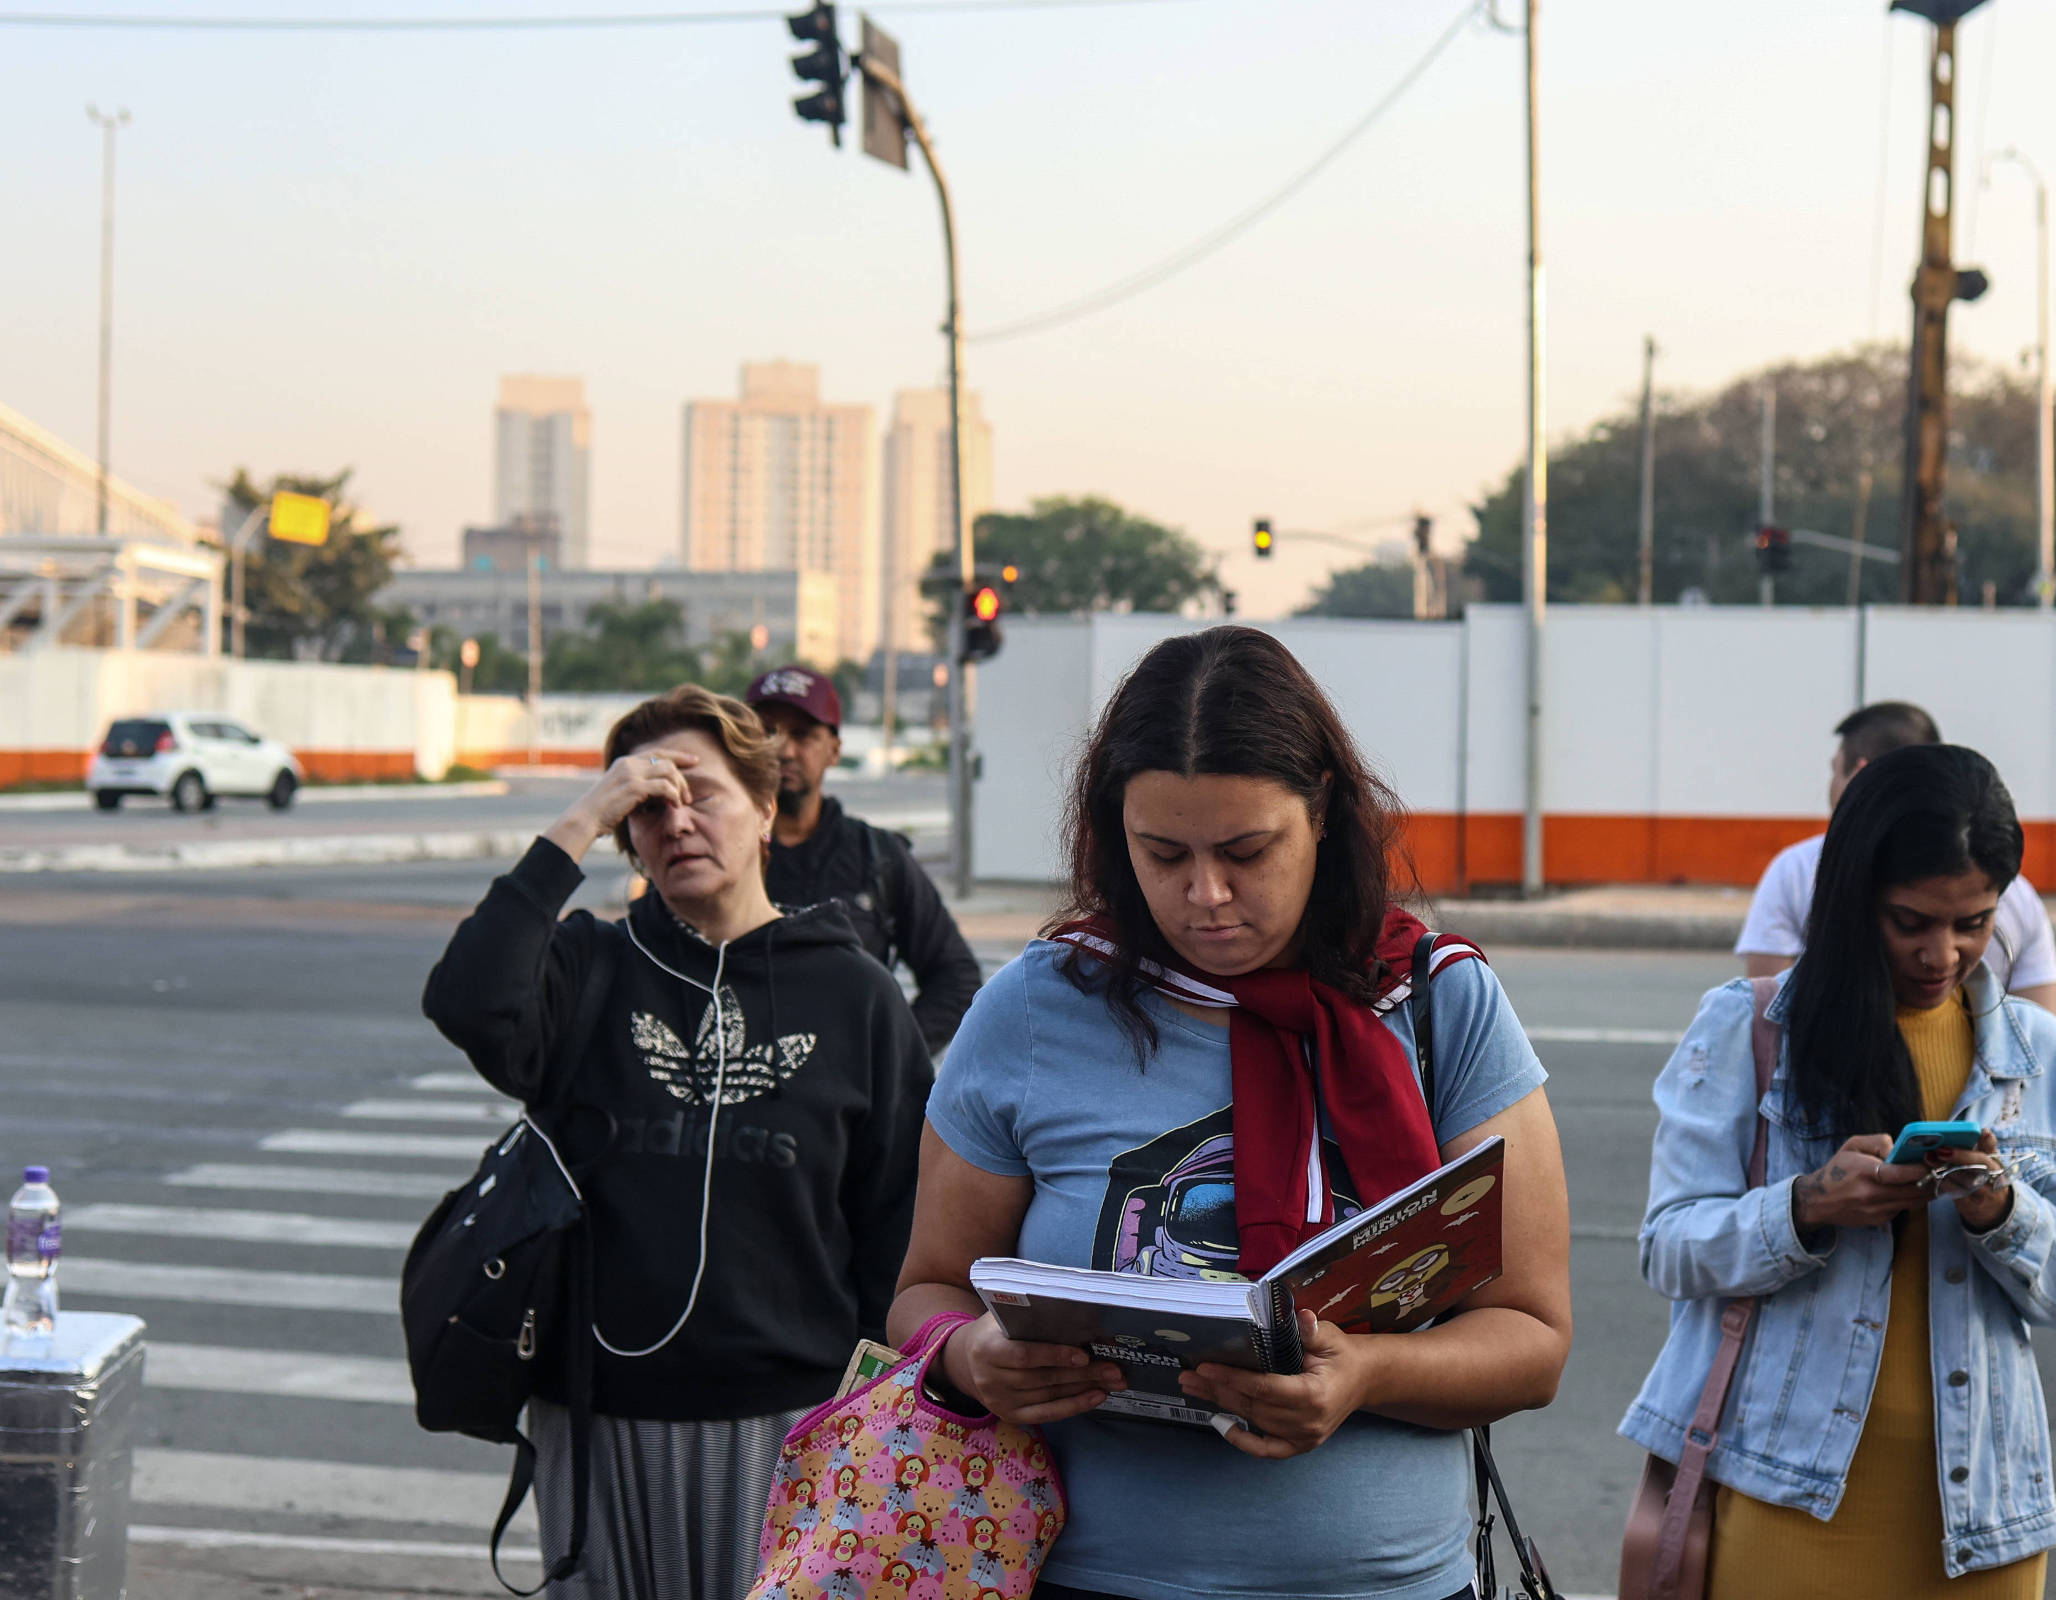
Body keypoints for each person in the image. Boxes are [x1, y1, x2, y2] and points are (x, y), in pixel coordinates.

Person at [887, 625, 1573, 1600]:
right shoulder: (1038, 1004)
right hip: (1091, 1577)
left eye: (1248, 851)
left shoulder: (1437, 1002)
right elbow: (926, 1290)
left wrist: (1365, 1376)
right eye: (1162, 853)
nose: (1205, 895)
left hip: (1387, 1586)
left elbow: (1533, 1339)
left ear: (1324, 811)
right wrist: (970, 1356)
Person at [422, 684, 934, 1600]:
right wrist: (581, 818)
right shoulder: (590, 965)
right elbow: (467, 999)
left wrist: (870, 1421)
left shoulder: (855, 994)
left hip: (788, 1422)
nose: (677, 823)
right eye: (648, 807)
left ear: (768, 807)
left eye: (702, 793)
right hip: (600, 1414)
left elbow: (897, 1222)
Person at [1622, 743, 2056, 1598]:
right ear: (1854, 900)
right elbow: (1667, 1246)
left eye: (1974, 922)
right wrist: (1806, 1207)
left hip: (1983, 1525)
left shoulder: (2046, 1059)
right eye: (1912, 921)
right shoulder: (1750, 1031)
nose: (1945, 952)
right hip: (1787, 1503)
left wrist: (2002, 1211)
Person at [1738, 702, 2056, 1012]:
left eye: (1973, 924)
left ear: (1859, 774)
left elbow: (1768, 1011)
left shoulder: (1796, 870)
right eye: (1909, 923)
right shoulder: (2022, 896)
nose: (1941, 959)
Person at [746, 664, 983, 1050]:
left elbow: (955, 979)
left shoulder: (876, 856)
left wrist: (887, 1058)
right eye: (766, 731)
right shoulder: (717, 853)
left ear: (835, 750)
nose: (783, 749)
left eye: (803, 734)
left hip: (849, 1104)